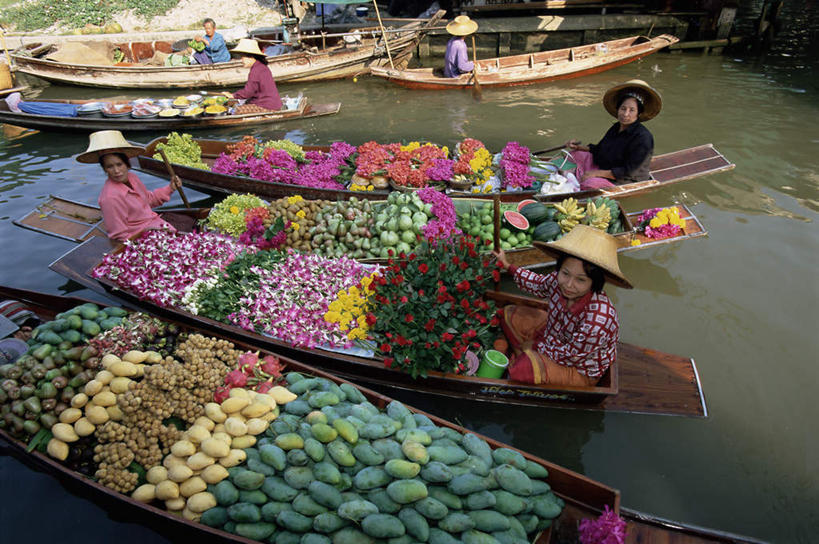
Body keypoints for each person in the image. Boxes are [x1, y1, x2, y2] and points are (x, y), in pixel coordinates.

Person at [493, 225, 632, 386]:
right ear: (559, 269)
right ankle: (524, 353)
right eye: (565, 273)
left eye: (581, 280)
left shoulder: (598, 320)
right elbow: (537, 283)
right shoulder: (557, 281)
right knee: (509, 313)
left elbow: (570, 356)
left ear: (594, 283)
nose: (568, 285)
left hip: (577, 368)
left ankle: (523, 357)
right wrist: (507, 265)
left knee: (526, 368)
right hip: (554, 337)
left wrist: (537, 346)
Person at [76, 130, 186, 243]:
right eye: (110, 167)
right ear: (105, 169)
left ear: (127, 164)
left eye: (119, 164)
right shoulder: (110, 198)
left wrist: (171, 188)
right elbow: (119, 235)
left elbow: (149, 200)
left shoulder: (132, 178)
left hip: (156, 224)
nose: (116, 171)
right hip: (142, 237)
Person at [563, 79, 662, 190]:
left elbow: (629, 172)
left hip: (624, 179)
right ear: (618, 109)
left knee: (589, 184)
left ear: (638, 113)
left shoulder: (643, 137)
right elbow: (600, 149)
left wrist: (596, 173)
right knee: (575, 154)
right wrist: (578, 147)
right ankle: (577, 177)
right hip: (606, 167)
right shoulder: (616, 128)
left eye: (632, 110)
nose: (625, 114)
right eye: (623, 109)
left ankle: (578, 180)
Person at [222, 39, 282, 112]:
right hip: (271, 102)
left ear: (250, 57)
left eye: (242, 57)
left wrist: (233, 95)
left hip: (267, 106)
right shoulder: (261, 66)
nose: (242, 60)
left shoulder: (256, 70)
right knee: (238, 102)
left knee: (236, 111)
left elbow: (248, 92)